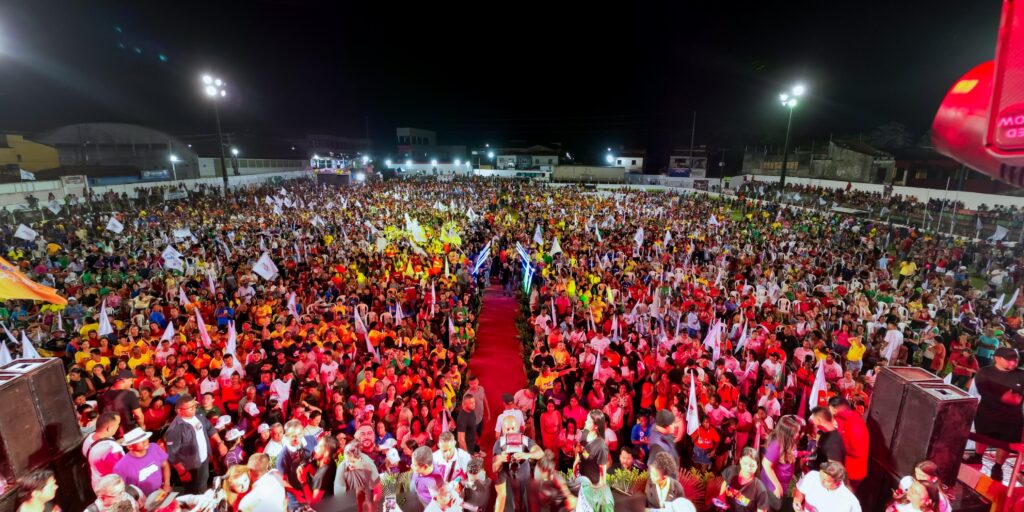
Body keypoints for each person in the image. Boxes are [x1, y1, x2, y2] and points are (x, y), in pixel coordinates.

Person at [965, 347, 1024, 482]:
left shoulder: (1021, 375)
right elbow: (983, 392)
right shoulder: (984, 372)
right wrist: (1003, 398)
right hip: (987, 414)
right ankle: (978, 456)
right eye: (1009, 360)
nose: (1013, 363)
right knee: (982, 436)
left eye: (1015, 360)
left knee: (1005, 443)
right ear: (996, 358)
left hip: (1011, 419)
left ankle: (998, 466)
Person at [163, 394, 225, 494]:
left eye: (194, 406)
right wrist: (182, 472)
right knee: (194, 491)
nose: (194, 409)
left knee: (203, 482)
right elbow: (173, 454)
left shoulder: (199, 417)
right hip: (190, 467)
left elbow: (210, 429)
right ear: (179, 410)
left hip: (203, 460)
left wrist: (220, 443)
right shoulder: (174, 429)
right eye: (190, 407)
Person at [493, 413, 543, 512]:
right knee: (508, 504)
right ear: (503, 430)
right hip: (507, 478)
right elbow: (494, 468)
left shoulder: (524, 440)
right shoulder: (499, 443)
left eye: (513, 428)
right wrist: (501, 460)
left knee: (526, 503)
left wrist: (526, 455)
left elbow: (540, 453)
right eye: (507, 429)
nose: (511, 431)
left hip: (524, 476)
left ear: (518, 428)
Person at [572, 410, 613, 512]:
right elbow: (579, 455)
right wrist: (575, 466)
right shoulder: (584, 434)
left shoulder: (601, 446)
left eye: (589, 421)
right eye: (586, 419)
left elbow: (603, 478)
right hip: (583, 485)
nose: (585, 422)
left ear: (596, 426)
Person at [112, 428, 171, 496]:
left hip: (161, 492)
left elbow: (165, 464)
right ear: (130, 447)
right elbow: (120, 490)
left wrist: (167, 484)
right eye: (140, 441)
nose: (146, 441)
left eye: (145, 438)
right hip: (142, 501)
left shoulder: (154, 447)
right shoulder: (121, 467)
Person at [759, 415, 801, 510]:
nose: (798, 434)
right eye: (796, 432)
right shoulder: (776, 444)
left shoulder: (789, 441)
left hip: (783, 484)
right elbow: (766, 464)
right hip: (772, 487)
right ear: (787, 432)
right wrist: (777, 486)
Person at [828, 397, 869, 489]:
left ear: (834, 409)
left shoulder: (843, 419)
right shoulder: (856, 416)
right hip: (859, 470)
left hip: (849, 471)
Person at [717, 447, 771, 512]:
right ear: (740, 461)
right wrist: (722, 498)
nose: (748, 468)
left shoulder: (760, 489)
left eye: (752, 466)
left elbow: (762, 510)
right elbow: (724, 483)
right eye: (745, 463)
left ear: (756, 466)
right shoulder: (732, 471)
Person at [792, 462, 861, 512]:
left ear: (837, 482)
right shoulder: (812, 476)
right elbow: (800, 490)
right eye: (821, 477)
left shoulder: (850, 501)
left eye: (826, 480)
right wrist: (797, 500)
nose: (821, 481)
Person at [83, 412, 125, 489]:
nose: (118, 426)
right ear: (109, 428)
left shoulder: (89, 438)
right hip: (112, 489)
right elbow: (123, 470)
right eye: (117, 424)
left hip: (97, 485)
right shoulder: (113, 448)